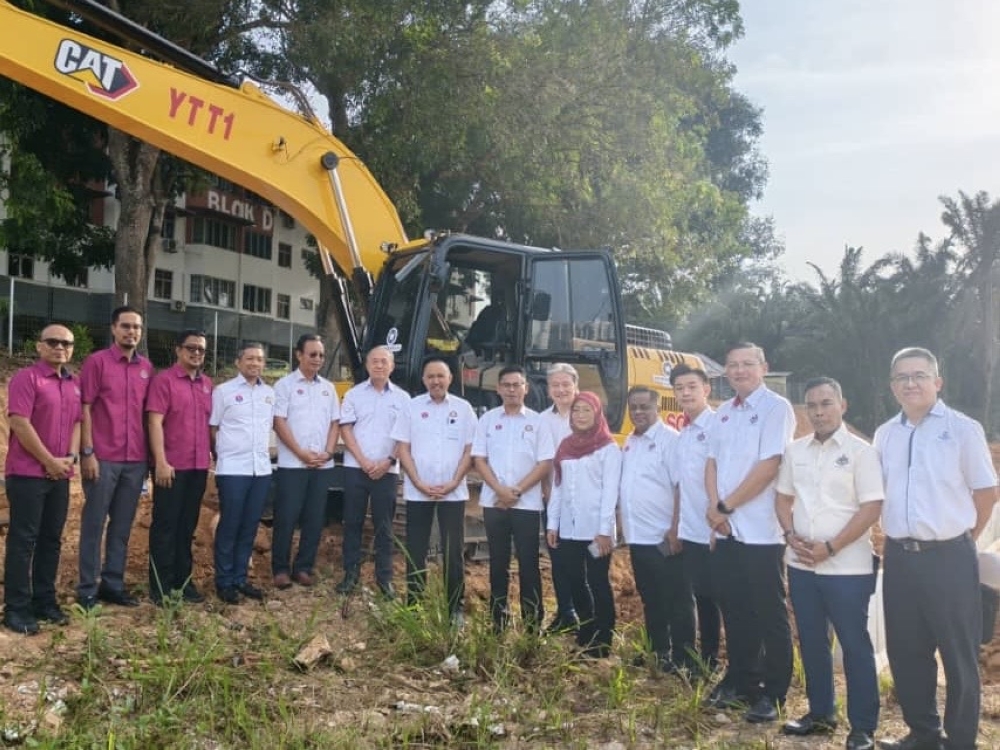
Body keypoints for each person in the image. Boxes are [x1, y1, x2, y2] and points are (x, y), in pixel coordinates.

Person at [874, 347, 997, 750]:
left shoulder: (963, 429)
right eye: (902, 377)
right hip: (900, 558)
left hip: (950, 557)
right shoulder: (886, 433)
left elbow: (985, 492)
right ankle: (923, 734)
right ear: (893, 387)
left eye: (919, 375)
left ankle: (961, 741)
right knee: (907, 650)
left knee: (958, 655)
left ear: (937, 382)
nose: (911, 383)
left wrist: (963, 540)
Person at [775, 377, 882, 750]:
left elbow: (872, 507)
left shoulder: (862, 453)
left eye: (826, 403)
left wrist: (832, 546)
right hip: (802, 565)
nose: (818, 412)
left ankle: (864, 726)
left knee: (854, 644)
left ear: (842, 405)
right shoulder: (796, 451)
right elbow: (783, 498)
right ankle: (821, 713)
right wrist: (790, 536)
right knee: (811, 642)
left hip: (847, 569)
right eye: (812, 406)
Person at [704, 341, 795, 723]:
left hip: (760, 531)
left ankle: (774, 694)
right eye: (733, 365)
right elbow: (711, 463)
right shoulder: (723, 412)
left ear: (763, 367)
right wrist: (714, 508)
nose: (739, 371)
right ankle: (743, 681)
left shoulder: (777, 409)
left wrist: (727, 505)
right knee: (736, 610)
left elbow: (769, 465)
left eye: (747, 364)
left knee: (769, 613)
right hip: (727, 531)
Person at [3, 325, 81, 634]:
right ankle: (16, 608)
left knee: (51, 539)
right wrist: (48, 461)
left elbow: (77, 422)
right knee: (24, 541)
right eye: (53, 342)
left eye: (66, 343)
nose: (60, 347)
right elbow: (20, 423)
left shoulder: (74, 383)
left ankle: (44, 601)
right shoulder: (27, 379)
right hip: (27, 474)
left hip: (60, 474)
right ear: (39, 346)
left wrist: (70, 459)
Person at [76, 305, 153, 610]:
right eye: (126, 326)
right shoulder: (96, 363)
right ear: (113, 328)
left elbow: (148, 416)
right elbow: (84, 409)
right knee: (94, 524)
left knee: (122, 527)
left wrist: (148, 460)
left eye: (136, 327)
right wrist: (87, 452)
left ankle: (113, 584)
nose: (131, 332)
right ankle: (87, 589)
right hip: (102, 458)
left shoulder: (146, 368)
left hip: (135, 460)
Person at [473, 365, 554, 632]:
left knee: (529, 562)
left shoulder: (538, 421)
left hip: (527, 505)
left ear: (526, 389)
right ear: (498, 389)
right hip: (494, 503)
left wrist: (515, 492)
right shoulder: (487, 420)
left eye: (516, 385)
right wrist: (500, 490)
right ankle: (499, 618)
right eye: (506, 385)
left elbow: (545, 463)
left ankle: (532, 621)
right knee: (498, 561)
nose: (511, 389)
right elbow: (479, 460)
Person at [393, 357, 476, 619]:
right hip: (419, 490)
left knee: (453, 552)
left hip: (453, 492)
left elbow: (470, 449)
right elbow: (402, 448)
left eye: (441, 376)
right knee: (415, 549)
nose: (436, 381)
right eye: (431, 376)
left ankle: (455, 608)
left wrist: (453, 482)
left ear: (450, 378)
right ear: (424, 380)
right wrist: (416, 481)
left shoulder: (463, 409)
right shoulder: (412, 407)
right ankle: (414, 605)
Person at [619, 386, 694, 671]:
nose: (638, 412)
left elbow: (681, 487)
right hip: (638, 537)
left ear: (657, 408)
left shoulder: (670, 441)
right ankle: (659, 650)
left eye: (644, 407)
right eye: (633, 407)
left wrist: (675, 529)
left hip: (664, 537)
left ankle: (684, 657)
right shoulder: (630, 441)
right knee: (651, 598)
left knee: (678, 599)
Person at [546, 392, 621, 657]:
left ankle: (603, 639)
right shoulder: (565, 446)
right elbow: (558, 487)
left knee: (598, 581)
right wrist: (552, 524)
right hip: (568, 528)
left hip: (595, 531)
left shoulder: (608, 448)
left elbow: (610, 493)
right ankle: (587, 629)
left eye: (586, 410)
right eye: (576, 410)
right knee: (574, 579)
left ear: (597, 414)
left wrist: (603, 531)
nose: (580, 415)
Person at [335, 346, 410, 598]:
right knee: (352, 522)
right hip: (356, 469)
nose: (379, 365)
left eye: (384, 361)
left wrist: (388, 461)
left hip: (387, 471)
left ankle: (384, 578)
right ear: (367, 366)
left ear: (392, 366)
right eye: (374, 361)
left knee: (384, 526)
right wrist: (364, 460)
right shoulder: (354, 395)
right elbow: (346, 429)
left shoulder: (402, 399)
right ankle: (350, 574)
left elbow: (405, 437)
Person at [146, 329, 213, 604]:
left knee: (187, 527)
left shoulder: (208, 385)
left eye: (201, 349)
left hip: (198, 467)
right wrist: (160, 462)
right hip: (172, 466)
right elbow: (154, 422)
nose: (196, 353)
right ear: (178, 350)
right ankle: (160, 588)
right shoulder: (164, 381)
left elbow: (211, 427)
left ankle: (182, 583)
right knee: (165, 527)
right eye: (191, 348)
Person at [272, 334, 340, 590]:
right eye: (313, 354)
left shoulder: (328, 388)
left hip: (322, 465)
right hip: (293, 465)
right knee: (286, 517)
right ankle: (280, 569)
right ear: (299, 355)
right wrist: (300, 453)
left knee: (314, 518)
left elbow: (335, 422)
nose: (318, 360)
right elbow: (279, 422)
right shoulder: (284, 386)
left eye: (321, 355)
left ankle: (303, 567)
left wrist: (329, 451)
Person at [209, 342, 275, 604]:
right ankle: (224, 581)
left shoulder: (269, 393)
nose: (254, 363)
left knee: (249, 526)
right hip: (233, 469)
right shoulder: (223, 392)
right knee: (230, 525)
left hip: (261, 470)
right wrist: (222, 454)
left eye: (259, 359)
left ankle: (240, 578)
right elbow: (213, 429)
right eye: (249, 358)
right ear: (238, 362)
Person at [669, 363, 722, 673]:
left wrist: (718, 522)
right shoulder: (684, 434)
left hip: (715, 530)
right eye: (679, 388)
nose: (685, 393)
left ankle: (719, 661)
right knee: (701, 596)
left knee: (720, 599)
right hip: (691, 530)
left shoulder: (717, 428)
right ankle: (707, 660)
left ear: (706, 389)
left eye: (691, 386)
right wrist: (677, 526)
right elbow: (681, 486)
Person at [538, 363, 580, 633]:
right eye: (556, 385)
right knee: (558, 557)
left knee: (582, 559)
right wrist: (546, 489)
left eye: (566, 384)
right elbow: (542, 459)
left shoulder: (588, 416)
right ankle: (565, 612)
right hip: (553, 498)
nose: (561, 390)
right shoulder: (542, 419)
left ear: (576, 387)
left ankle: (584, 612)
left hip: (583, 501)